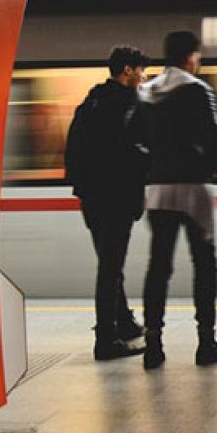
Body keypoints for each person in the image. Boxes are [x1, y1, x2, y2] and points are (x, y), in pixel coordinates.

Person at [140, 30, 217, 369]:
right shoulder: (198, 90)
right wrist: (209, 167)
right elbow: (214, 140)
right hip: (193, 189)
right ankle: (206, 341)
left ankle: (153, 342)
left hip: (158, 189)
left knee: (159, 266)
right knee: (204, 264)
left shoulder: (146, 91)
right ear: (191, 56)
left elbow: (138, 138)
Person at [63, 45, 153, 361]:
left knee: (109, 262)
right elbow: (133, 151)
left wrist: (83, 188)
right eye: (141, 70)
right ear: (127, 70)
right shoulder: (127, 104)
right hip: (117, 196)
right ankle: (106, 339)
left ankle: (124, 322)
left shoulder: (90, 103)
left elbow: (72, 152)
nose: (144, 77)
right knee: (111, 268)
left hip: (91, 198)